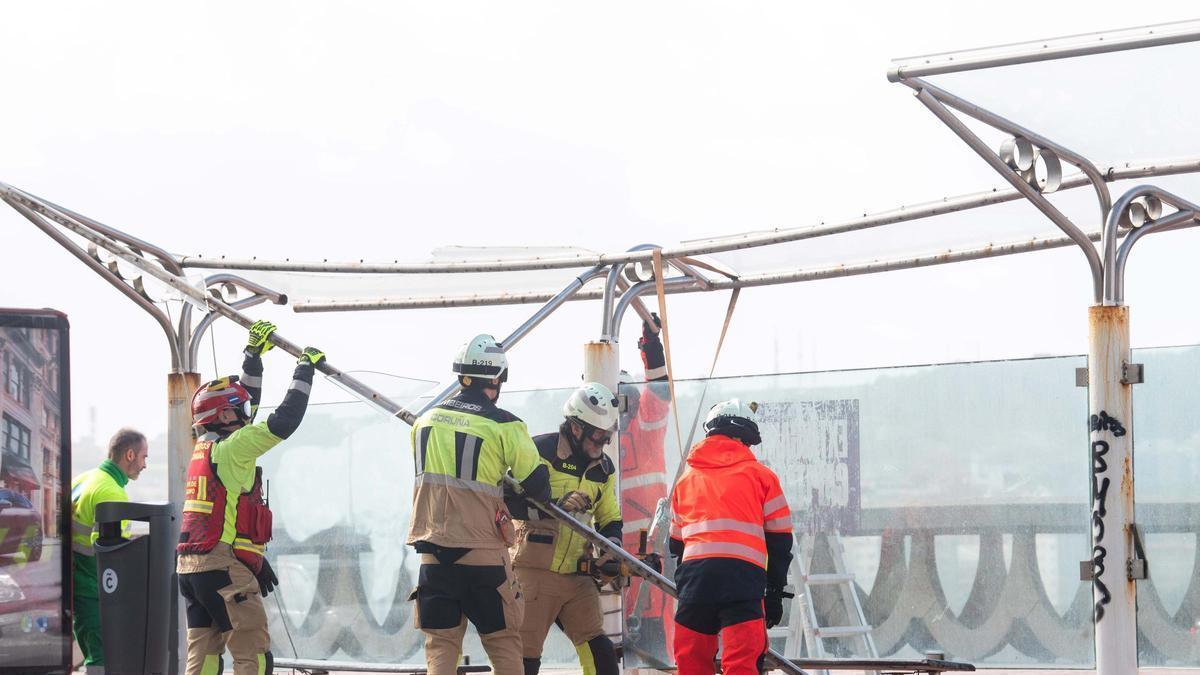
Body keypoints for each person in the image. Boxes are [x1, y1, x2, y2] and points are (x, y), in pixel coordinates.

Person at [176, 320, 324, 675]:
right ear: (225, 415)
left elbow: (248, 405)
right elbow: (283, 421)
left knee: (205, 661)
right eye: (238, 411)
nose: (246, 415)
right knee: (253, 658)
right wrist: (305, 369)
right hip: (221, 568)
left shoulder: (204, 447)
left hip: (190, 571)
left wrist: (253, 357)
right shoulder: (235, 448)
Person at [407, 334, 551, 675]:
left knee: (441, 647)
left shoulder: (423, 422)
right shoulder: (504, 425)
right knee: (502, 644)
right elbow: (537, 486)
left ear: (461, 375)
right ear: (498, 379)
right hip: (483, 554)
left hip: (432, 554)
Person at [505, 382, 623, 675]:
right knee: (523, 661)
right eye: (598, 434)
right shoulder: (539, 450)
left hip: (577, 576)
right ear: (576, 427)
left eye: (608, 436)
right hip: (533, 573)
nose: (603, 442)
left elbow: (609, 518)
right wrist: (556, 505)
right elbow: (506, 501)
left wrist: (612, 548)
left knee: (602, 658)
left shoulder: (604, 469)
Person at [669, 399, 793, 675]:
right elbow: (781, 541)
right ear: (742, 438)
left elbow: (676, 544)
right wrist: (774, 592)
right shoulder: (762, 477)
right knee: (741, 664)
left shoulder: (685, 481)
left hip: (695, 583)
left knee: (691, 662)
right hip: (742, 582)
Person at [617, 314, 674, 660]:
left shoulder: (646, 430)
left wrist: (651, 347)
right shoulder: (595, 441)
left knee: (654, 651)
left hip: (649, 557)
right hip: (610, 561)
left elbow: (659, 393)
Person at [70, 427, 149, 674]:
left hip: (75, 586)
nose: (145, 465)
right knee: (101, 659)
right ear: (129, 455)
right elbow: (107, 554)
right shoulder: (112, 493)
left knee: (91, 653)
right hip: (94, 591)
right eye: (144, 457)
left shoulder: (83, 480)